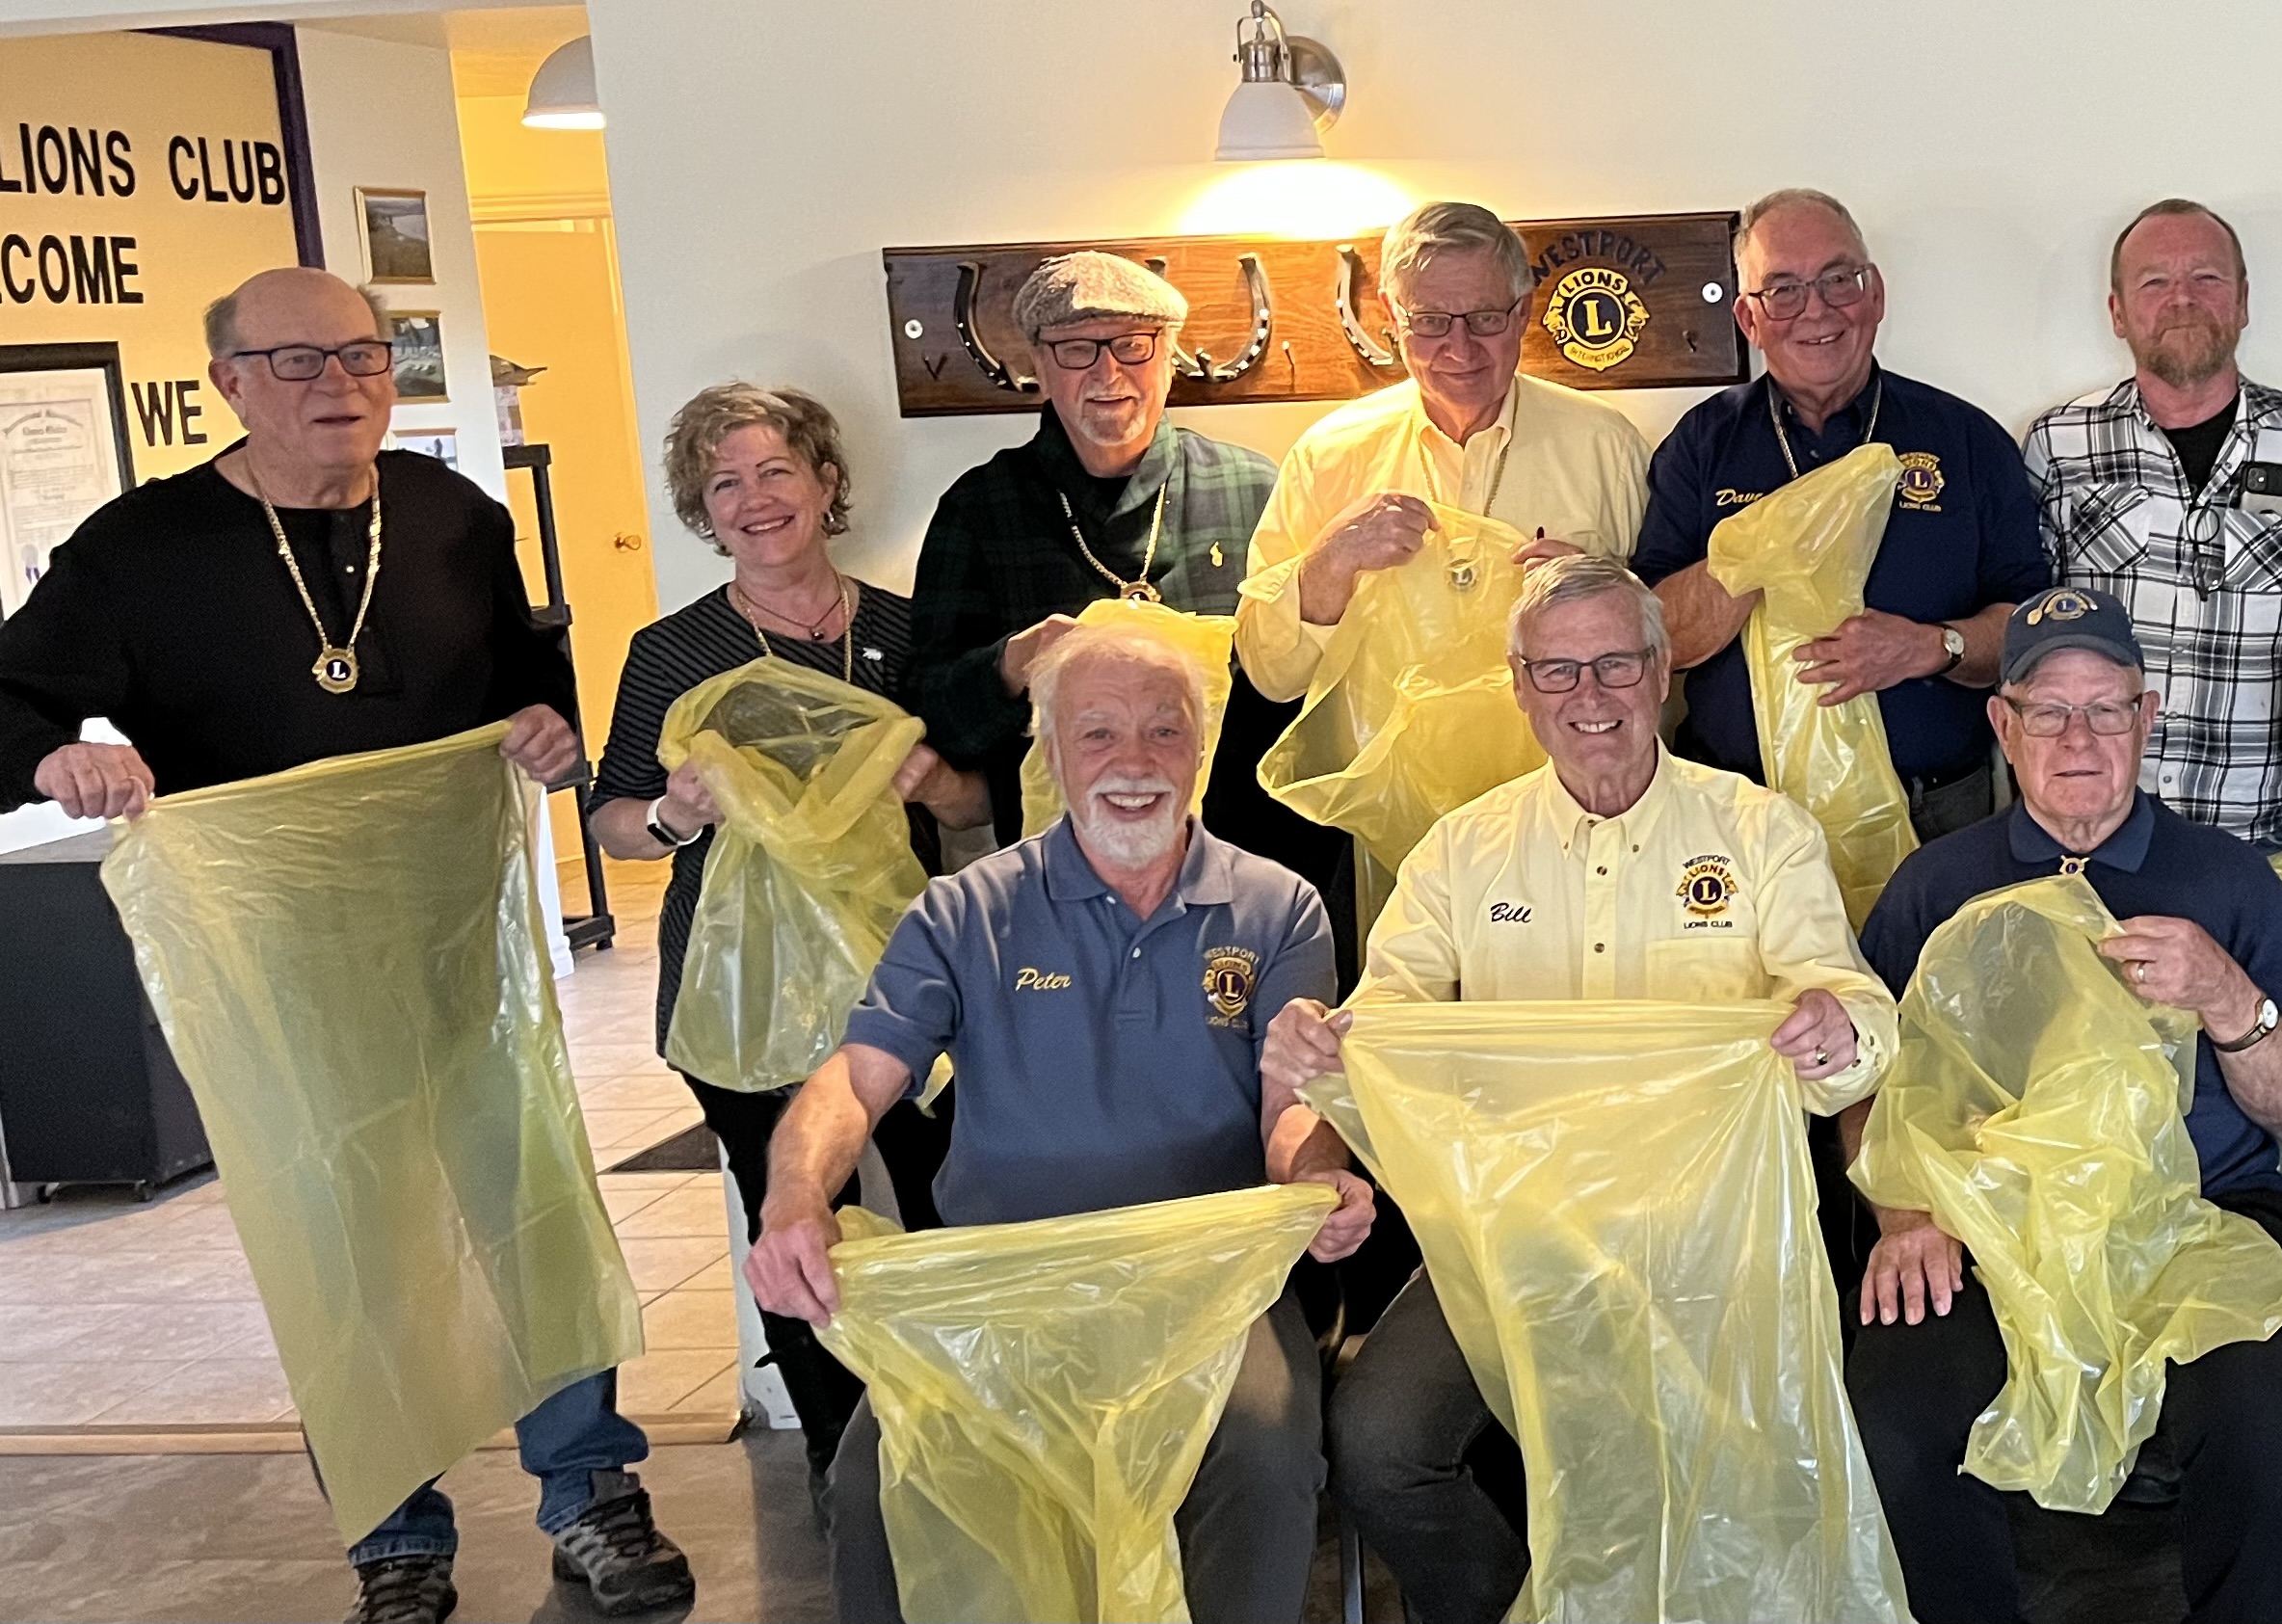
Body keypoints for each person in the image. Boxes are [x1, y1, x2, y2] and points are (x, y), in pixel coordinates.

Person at [0, 266, 679, 1624]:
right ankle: (395, 1534)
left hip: (456, 939)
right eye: (298, 361)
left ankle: (590, 1493)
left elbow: (525, 675)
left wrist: (548, 725)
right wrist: (55, 756)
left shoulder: (449, 516)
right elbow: (7, 701)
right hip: (276, 968)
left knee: (529, 1198)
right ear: (230, 383)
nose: (340, 384)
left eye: (364, 354)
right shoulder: (141, 549)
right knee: (339, 1236)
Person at [1257, 553, 1896, 1624]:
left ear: (1660, 672)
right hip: (1513, 1235)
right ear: (1519, 686)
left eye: (1613, 664)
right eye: (1556, 670)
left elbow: (1859, 1018)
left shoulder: (1760, 833)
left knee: (1734, 1474)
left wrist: (1834, 1029)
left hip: (1708, 1242)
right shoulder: (1462, 850)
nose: (1587, 695)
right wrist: (1321, 1043)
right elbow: (1383, 1025)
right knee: (1379, 1443)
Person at [743, 623, 1343, 1624]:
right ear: (1050, 752)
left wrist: (1315, 1180)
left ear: (1199, 747)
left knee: (1263, 1449)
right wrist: (796, 1194)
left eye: (1163, 730)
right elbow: (854, 1078)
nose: (1134, 761)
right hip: (1000, 1280)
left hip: (1208, 1280)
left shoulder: (1279, 907)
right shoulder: (962, 910)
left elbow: (1293, 1104)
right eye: (1098, 733)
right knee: (874, 1473)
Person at [1847, 585, 2282, 1623]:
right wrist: (1903, 1212)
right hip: (1991, 1231)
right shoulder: (1936, 884)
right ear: (2003, 724)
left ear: (2144, 718)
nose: (2078, 738)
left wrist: (2225, 994)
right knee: (1898, 1411)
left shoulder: (2229, 880)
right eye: (2048, 711)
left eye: (2105, 708)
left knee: (2263, 1427)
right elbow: (1862, 1081)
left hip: (2200, 1223)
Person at [583, 382, 986, 1502]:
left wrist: (936, 781)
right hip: (738, 988)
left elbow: (975, 807)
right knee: (792, 1208)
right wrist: (676, 813)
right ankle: (840, 1458)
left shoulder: (908, 630)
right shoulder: (674, 650)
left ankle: (965, 1435)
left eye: (775, 471)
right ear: (702, 511)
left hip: (905, 973)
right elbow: (612, 819)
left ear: (825, 483)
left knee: (950, 1189)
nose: (754, 499)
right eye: (725, 483)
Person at [902, 251, 1343, 906]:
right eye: (1076, 350)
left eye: (1133, 345)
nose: (1108, 373)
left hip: (1250, 866)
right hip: (1060, 884)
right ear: (1039, 365)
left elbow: (1314, 693)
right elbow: (930, 713)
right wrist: (1011, 664)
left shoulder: (1255, 489)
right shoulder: (979, 509)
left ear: (1170, 355)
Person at [1635, 188, 2052, 839]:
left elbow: (2031, 631)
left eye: (1838, 279)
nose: (1816, 309)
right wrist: (1762, 551)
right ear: (1748, 318)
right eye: (1783, 289)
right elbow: (1654, 639)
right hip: (1738, 816)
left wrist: (1930, 647)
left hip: (1932, 817)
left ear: (1875, 294)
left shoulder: (1968, 439)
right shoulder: (1701, 443)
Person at [2028, 198, 2282, 867]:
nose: (2181, 299)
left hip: (2271, 835)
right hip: (2095, 836)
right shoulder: (2058, 445)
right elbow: (2028, 646)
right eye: (2155, 282)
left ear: (2242, 301)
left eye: (2206, 277)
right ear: (2118, 312)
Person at [1234, 200, 1651, 703]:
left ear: (1523, 312)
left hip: (1558, 755)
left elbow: (1668, 659)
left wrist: (1602, 601)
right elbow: (1271, 676)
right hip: (1379, 758)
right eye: (1431, 321)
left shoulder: (1607, 447)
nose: (1460, 348)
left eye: (1485, 318)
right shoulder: (1326, 457)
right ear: (1392, 314)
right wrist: (1331, 563)